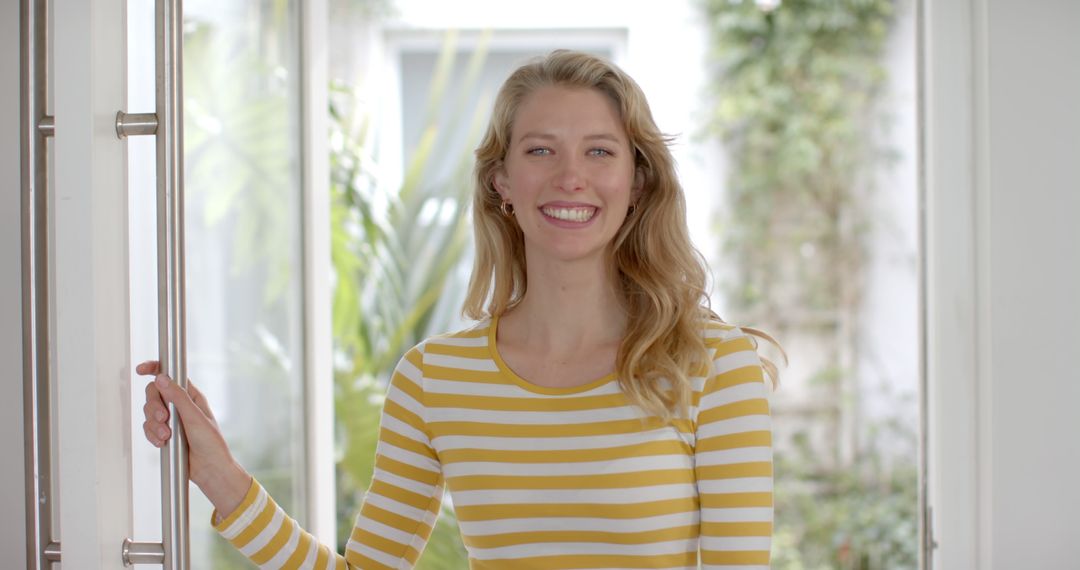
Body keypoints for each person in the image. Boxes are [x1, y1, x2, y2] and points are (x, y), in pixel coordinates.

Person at [139, 49, 778, 569]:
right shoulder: (434, 379)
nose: (570, 177)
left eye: (600, 151)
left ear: (637, 184)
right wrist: (222, 478)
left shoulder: (715, 367)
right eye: (539, 150)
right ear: (502, 182)